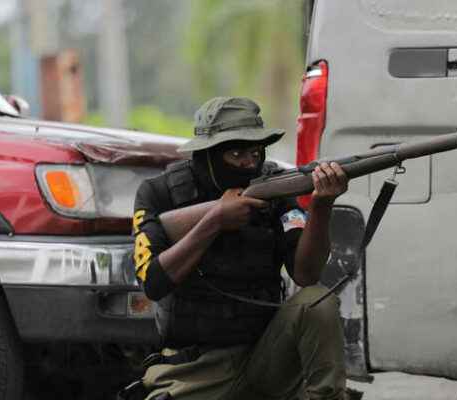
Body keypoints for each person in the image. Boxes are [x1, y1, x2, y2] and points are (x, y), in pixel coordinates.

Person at [131, 96, 349, 400]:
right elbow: (153, 282)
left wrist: (322, 204)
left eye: (256, 152)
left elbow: (307, 274)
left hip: (265, 357)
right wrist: (214, 221)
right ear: (206, 154)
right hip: (194, 370)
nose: (249, 163)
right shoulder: (158, 193)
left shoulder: (274, 187)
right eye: (236, 154)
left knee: (317, 301)